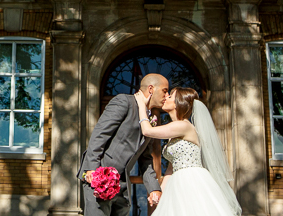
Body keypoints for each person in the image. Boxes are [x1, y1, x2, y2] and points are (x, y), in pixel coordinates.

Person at [134, 87, 242, 216]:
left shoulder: (184, 126)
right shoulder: (173, 131)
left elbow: (147, 131)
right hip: (177, 180)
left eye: (170, 97)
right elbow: (171, 167)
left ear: (178, 103)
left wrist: (141, 104)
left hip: (191, 180)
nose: (166, 98)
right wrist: (161, 191)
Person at [78, 74, 168, 216]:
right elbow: (100, 135)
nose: (167, 95)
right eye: (165, 90)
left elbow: (145, 158)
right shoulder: (123, 101)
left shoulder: (149, 120)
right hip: (100, 178)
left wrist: (153, 188)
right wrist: (91, 169)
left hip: (123, 185)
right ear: (151, 89)